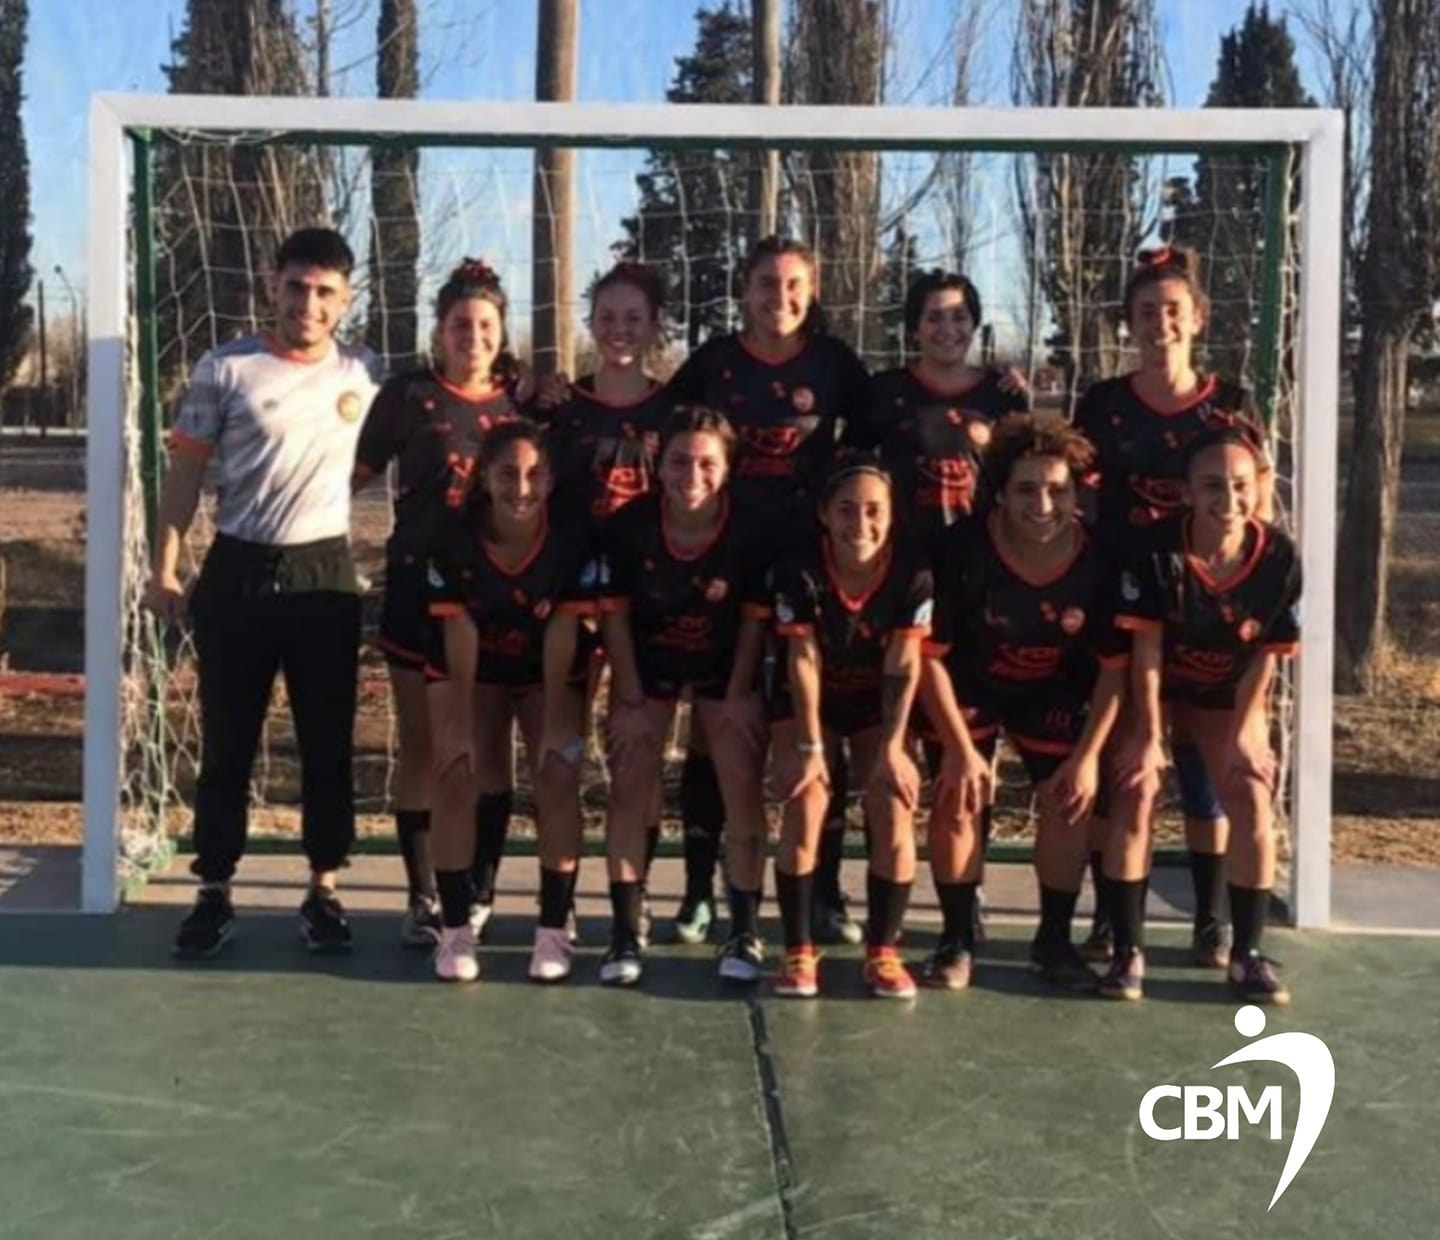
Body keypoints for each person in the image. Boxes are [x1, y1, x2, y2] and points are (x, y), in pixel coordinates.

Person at [149, 227, 381, 959]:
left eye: (324, 293)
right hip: (238, 575)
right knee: (229, 743)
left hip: (324, 579)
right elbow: (184, 475)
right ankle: (214, 890)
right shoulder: (225, 368)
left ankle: (325, 890)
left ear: (345, 301)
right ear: (272, 283)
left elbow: (389, 454)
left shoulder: (365, 372)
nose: (308, 304)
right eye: (296, 287)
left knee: (326, 746)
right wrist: (163, 567)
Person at [669, 236, 872, 947]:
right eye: (765, 284)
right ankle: (699, 891)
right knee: (714, 723)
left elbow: (875, 451)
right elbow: (660, 428)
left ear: (810, 292)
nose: (778, 298)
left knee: (819, 730)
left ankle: (824, 890)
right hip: (719, 565)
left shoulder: (835, 364)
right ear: (743, 289)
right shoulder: (715, 364)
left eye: (792, 285)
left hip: (811, 571)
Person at [1073, 244, 1271, 969]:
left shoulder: (1231, 403)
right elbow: (1081, 498)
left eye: (1173, 310)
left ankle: (1211, 920)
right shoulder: (1104, 404)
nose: (1161, 322)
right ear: (1129, 323)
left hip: (1206, 612)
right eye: (1147, 311)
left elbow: (1255, 499)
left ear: (1197, 319)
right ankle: (1108, 917)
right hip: (1123, 606)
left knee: (1205, 772)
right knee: (1127, 767)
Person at [918, 413, 1127, 991]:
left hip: (1055, 689)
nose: (1043, 504)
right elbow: (928, 657)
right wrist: (960, 752)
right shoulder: (963, 550)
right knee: (957, 797)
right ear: (1001, 495)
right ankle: (956, 938)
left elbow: (1114, 669)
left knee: (1069, 799)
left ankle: (1053, 941)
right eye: (1026, 490)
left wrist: (1087, 758)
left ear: (1076, 493)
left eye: (1057, 490)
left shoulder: (1099, 558)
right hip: (968, 684)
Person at [353, 258, 521, 947]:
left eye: (485, 325)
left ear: (502, 332)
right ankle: (422, 895)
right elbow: (347, 474)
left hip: (494, 599)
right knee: (423, 743)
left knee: (485, 745)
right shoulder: (406, 397)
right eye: (460, 324)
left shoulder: (524, 404)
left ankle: (478, 888)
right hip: (415, 592)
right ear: (439, 332)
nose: (472, 336)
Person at [1102, 427, 1299, 1005]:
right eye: (1212, 485)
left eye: (1240, 485)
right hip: (1158, 687)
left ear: (1258, 487)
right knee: (1136, 789)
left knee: (1250, 791)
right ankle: (1126, 951)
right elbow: (1147, 654)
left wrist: (1246, 731)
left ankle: (1247, 953)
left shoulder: (1279, 556)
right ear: (1186, 491)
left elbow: (1267, 654)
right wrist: (1145, 733)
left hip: (1227, 694)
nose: (1228, 498)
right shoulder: (1157, 551)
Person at [589, 407, 772, 987]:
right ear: (658, 464)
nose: (692, 474)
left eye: (706, 463)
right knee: (631, 778)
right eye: (679, 461)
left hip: (724, 661)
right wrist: (631, 696)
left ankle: (744, 927)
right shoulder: (630, 526)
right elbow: (614, 617)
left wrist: (740, 692)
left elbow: (752, 621)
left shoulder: (748, 529)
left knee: (739, 775)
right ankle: (624, 929)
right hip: (650, 661)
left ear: (727, 468)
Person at [530, 261, 674, 944]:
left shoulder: (674, 409)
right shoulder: (562, 407)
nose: (620, 329)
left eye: (633, 318)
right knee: (562, 753)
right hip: (572, 603)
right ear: (591, 323)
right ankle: (557, 910)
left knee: (637, 755)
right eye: (608, 317)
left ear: (653, 327)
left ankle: (631, 897)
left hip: (648, 606)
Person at [424, 420, 593, 983]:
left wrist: (553, 725)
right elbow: (459, 634)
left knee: (557, 771)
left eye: (535, 475)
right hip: (472, 665)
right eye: (507, 474)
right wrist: (458, 720)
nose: (521, 488)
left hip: (545, 665)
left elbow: (566, 632)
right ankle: (453, 930)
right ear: (483, 479)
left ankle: (552, 927)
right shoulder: (454, 536)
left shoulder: (569, 537)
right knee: (454, 770)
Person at [767, 458, 932, 1000]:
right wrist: (811, 746)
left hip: (874, 703)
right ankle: (798, 951)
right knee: (807, 796)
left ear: (891, 515)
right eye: (846, 509)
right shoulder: (800, 569)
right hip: (808, 699)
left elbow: (905, 662)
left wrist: (891, 747)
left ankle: (883, 953)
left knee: (891, 801)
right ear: (823, 514)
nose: (860, 522)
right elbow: (802, 659)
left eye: (873, 510)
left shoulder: (912, 573)